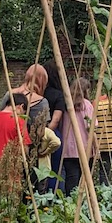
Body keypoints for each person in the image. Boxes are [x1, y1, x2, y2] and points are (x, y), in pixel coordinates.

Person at [60, 77, 94, 195]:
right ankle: (83, 203)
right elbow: (91, 127)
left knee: (71, 178)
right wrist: (96, 146)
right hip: (85, 147)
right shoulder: (87, 105)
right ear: (85, 90)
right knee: (84, 179)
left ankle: (71, 202)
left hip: (68, 148)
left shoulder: (66, 105)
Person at [42, 60, 67, 191]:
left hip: (37, 134)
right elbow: (56, 120)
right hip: (52, 135)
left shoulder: (39, 93)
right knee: (56, 169)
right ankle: (56, 198)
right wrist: (47, 133)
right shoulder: (59, 95)